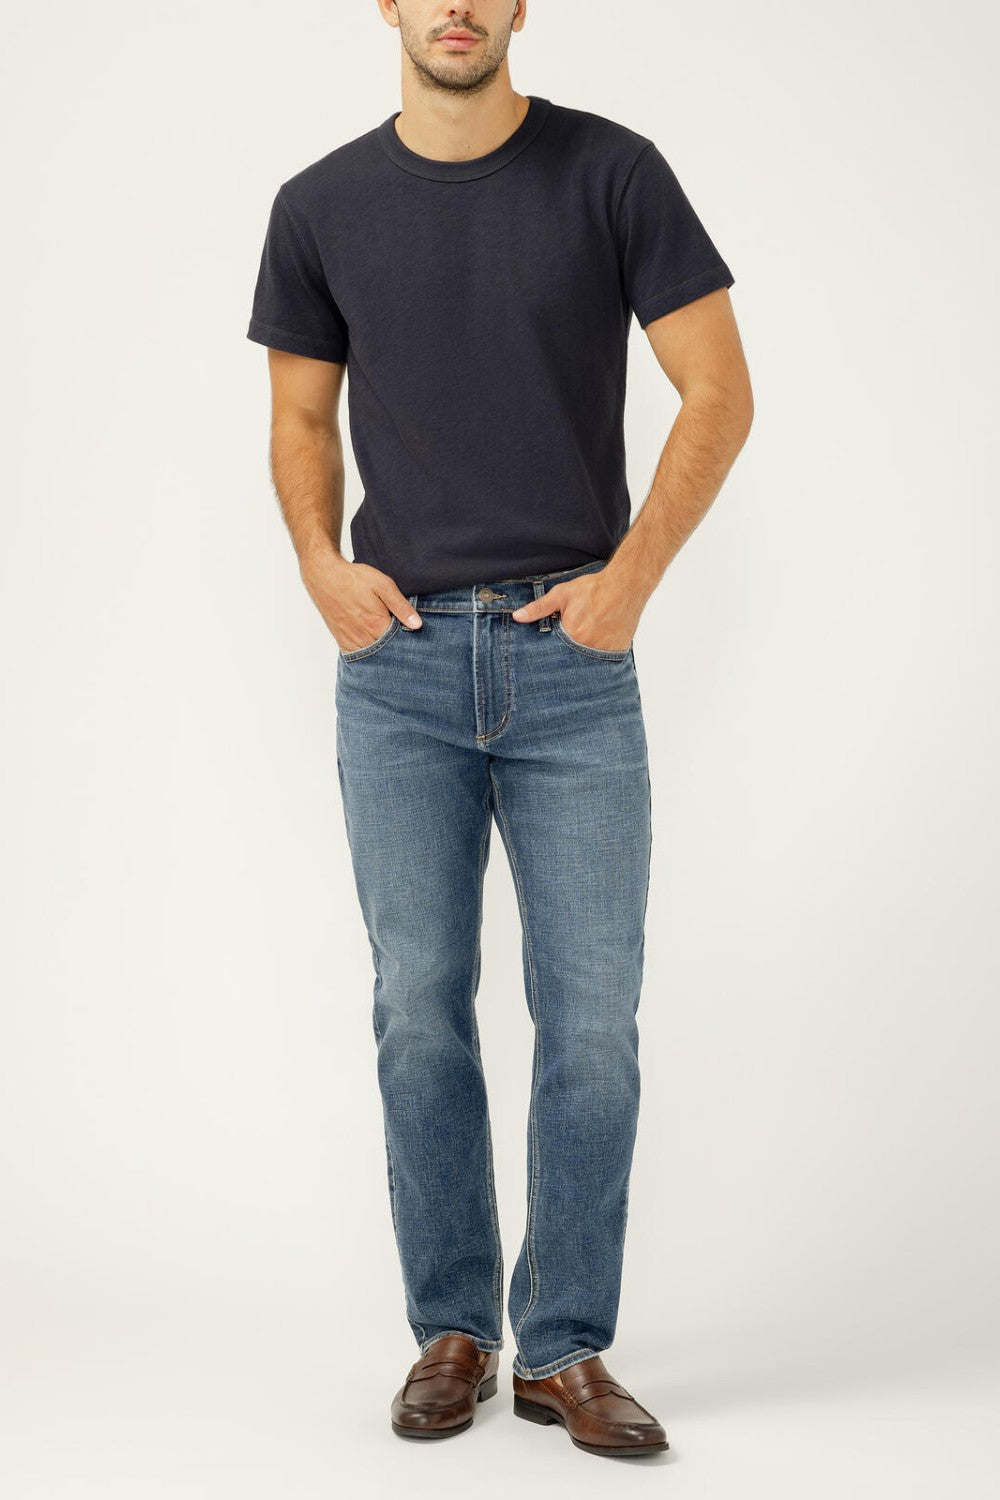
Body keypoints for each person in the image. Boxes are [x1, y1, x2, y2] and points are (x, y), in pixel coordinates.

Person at [246, 0, 752, 1459]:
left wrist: (629, 582)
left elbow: (718, 389)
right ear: (390, 5)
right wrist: (318, 567)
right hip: (399, 666)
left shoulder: (615, 175)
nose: (457, 5)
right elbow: (298, 420)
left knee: (591, 1022)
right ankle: (454, 1330)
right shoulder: (319, 205)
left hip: (571, 663)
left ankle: (568, 1346)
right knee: (421, 1008)